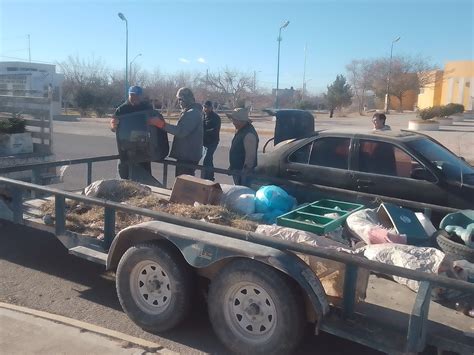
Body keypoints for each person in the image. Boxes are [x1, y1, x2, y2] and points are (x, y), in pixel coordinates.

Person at [149, 87, 203, 177]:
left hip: (188, 157)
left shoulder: (193, 113)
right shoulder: (189, 112)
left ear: (187, 99)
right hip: (186, 156)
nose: (179, 102)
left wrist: (160, 124)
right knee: (181, 181)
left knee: (184, 184)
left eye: (180, 99)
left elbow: (181, 131)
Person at [110, 85, 160, 179]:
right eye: (132, 96)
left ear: (141, 96)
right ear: (129, 95)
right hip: (126, 145)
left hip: (143, 145)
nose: (134, 98)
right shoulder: (122, 109)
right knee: (124, 169)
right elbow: (114, 124)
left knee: (144, 172)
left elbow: (155, 122)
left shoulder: (146, 107)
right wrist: (113, 125)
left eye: (136, 96)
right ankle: (124, 186)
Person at [226, 108, 259, 186]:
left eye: (234, 120)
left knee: (242, 192)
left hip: (243, 173)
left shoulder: (249, 134)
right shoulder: (241, 130)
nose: (233, 122)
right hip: (237, 170)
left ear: (241, 121)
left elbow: (250, 157)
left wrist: (245, 172)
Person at [201, 100, 221, 181]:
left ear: (211, 108)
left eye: (207, 107)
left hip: (212, 141)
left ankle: (208, 177)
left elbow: (214, 130)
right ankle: (209, 175)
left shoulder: (215, 117)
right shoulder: (203, 115)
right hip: (204, 141)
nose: (205, 109)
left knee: (207, 158)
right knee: (207, 159)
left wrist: (203, 132)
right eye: (204, 107)